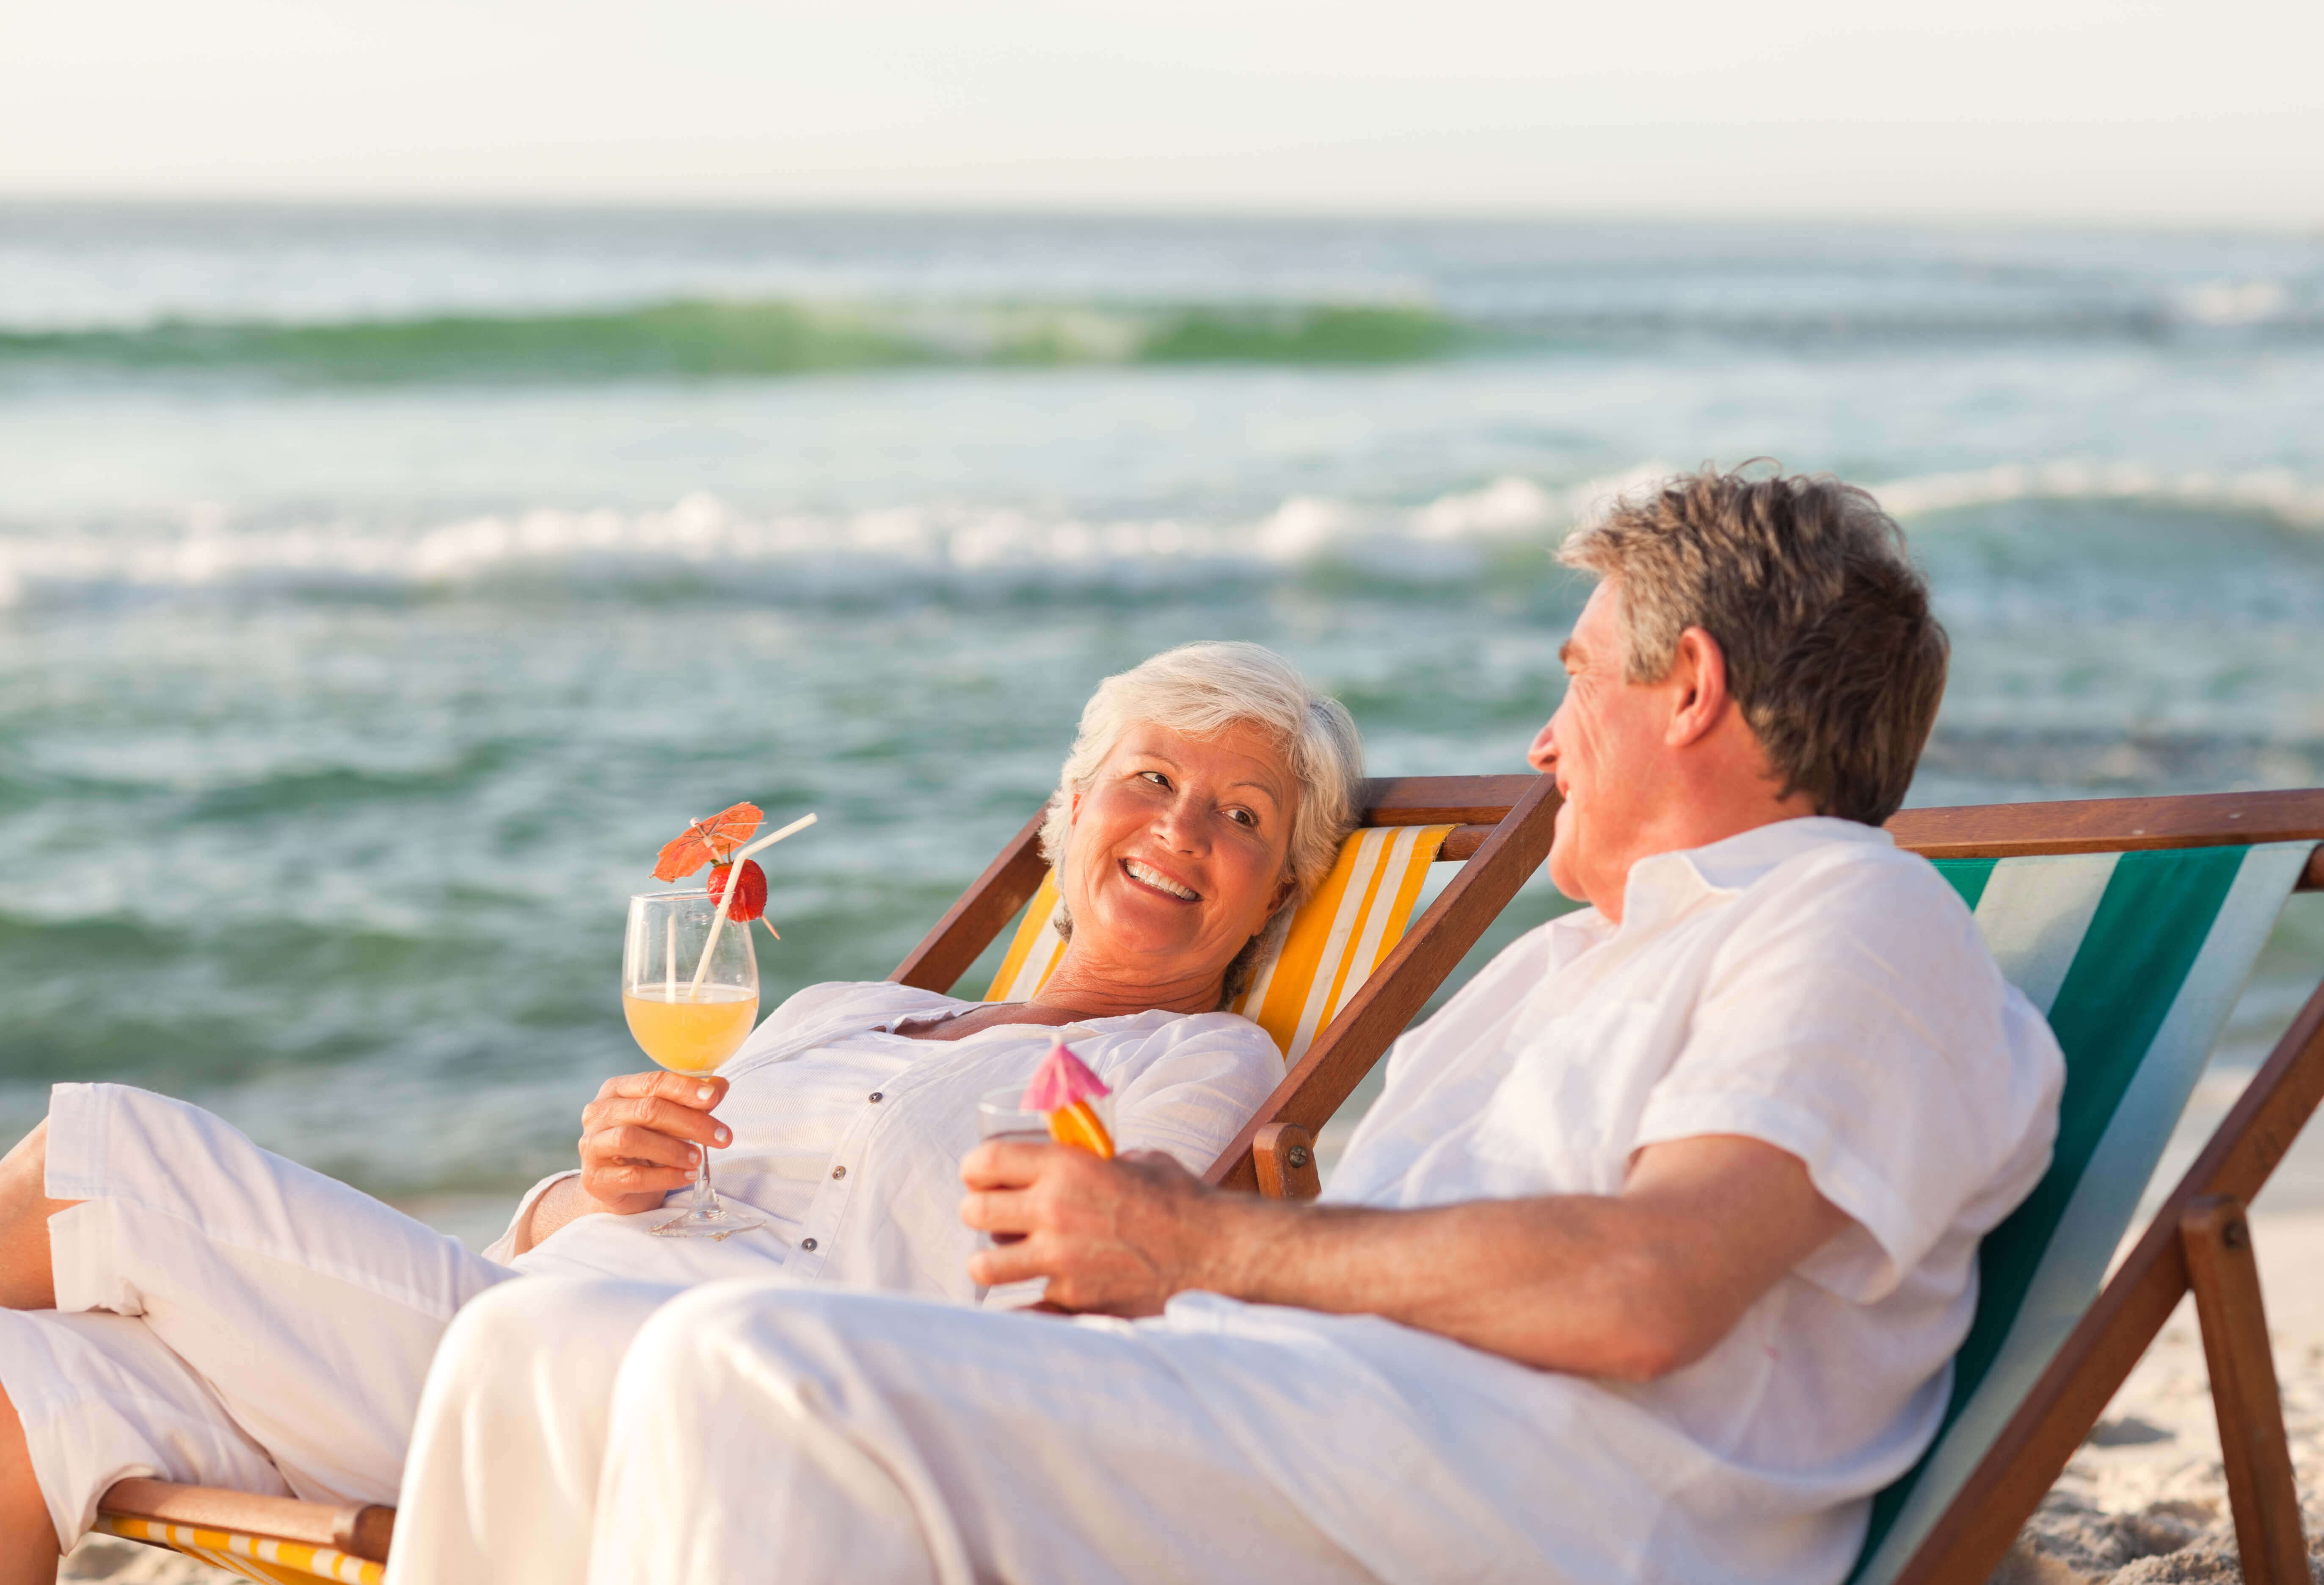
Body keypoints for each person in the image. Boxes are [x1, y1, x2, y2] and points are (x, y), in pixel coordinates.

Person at [386, 467, 2064, 1585]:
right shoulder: (1560, 975)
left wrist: (1196, 1239)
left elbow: (1647, 1286)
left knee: (749, 1359)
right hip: (1300, 1426)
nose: (1548, 743)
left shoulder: (1850, 913)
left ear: (1687, 688)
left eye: (1575, 677)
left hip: (1514, 1507)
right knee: (549, 1340)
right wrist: (1175, 1263)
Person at [0, 640, 1366, 1584]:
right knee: (33, 1371)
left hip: (667, 1398)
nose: (1186, 829)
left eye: (1244, 817)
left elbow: (1093, 1286)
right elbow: (571, 1221)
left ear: (1277, 892)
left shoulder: (1200, 1060)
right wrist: (599, 1176)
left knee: (112, 1157)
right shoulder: (844, 1006)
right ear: (1067, 818)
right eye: (1152, 781)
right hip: (487, 1328)